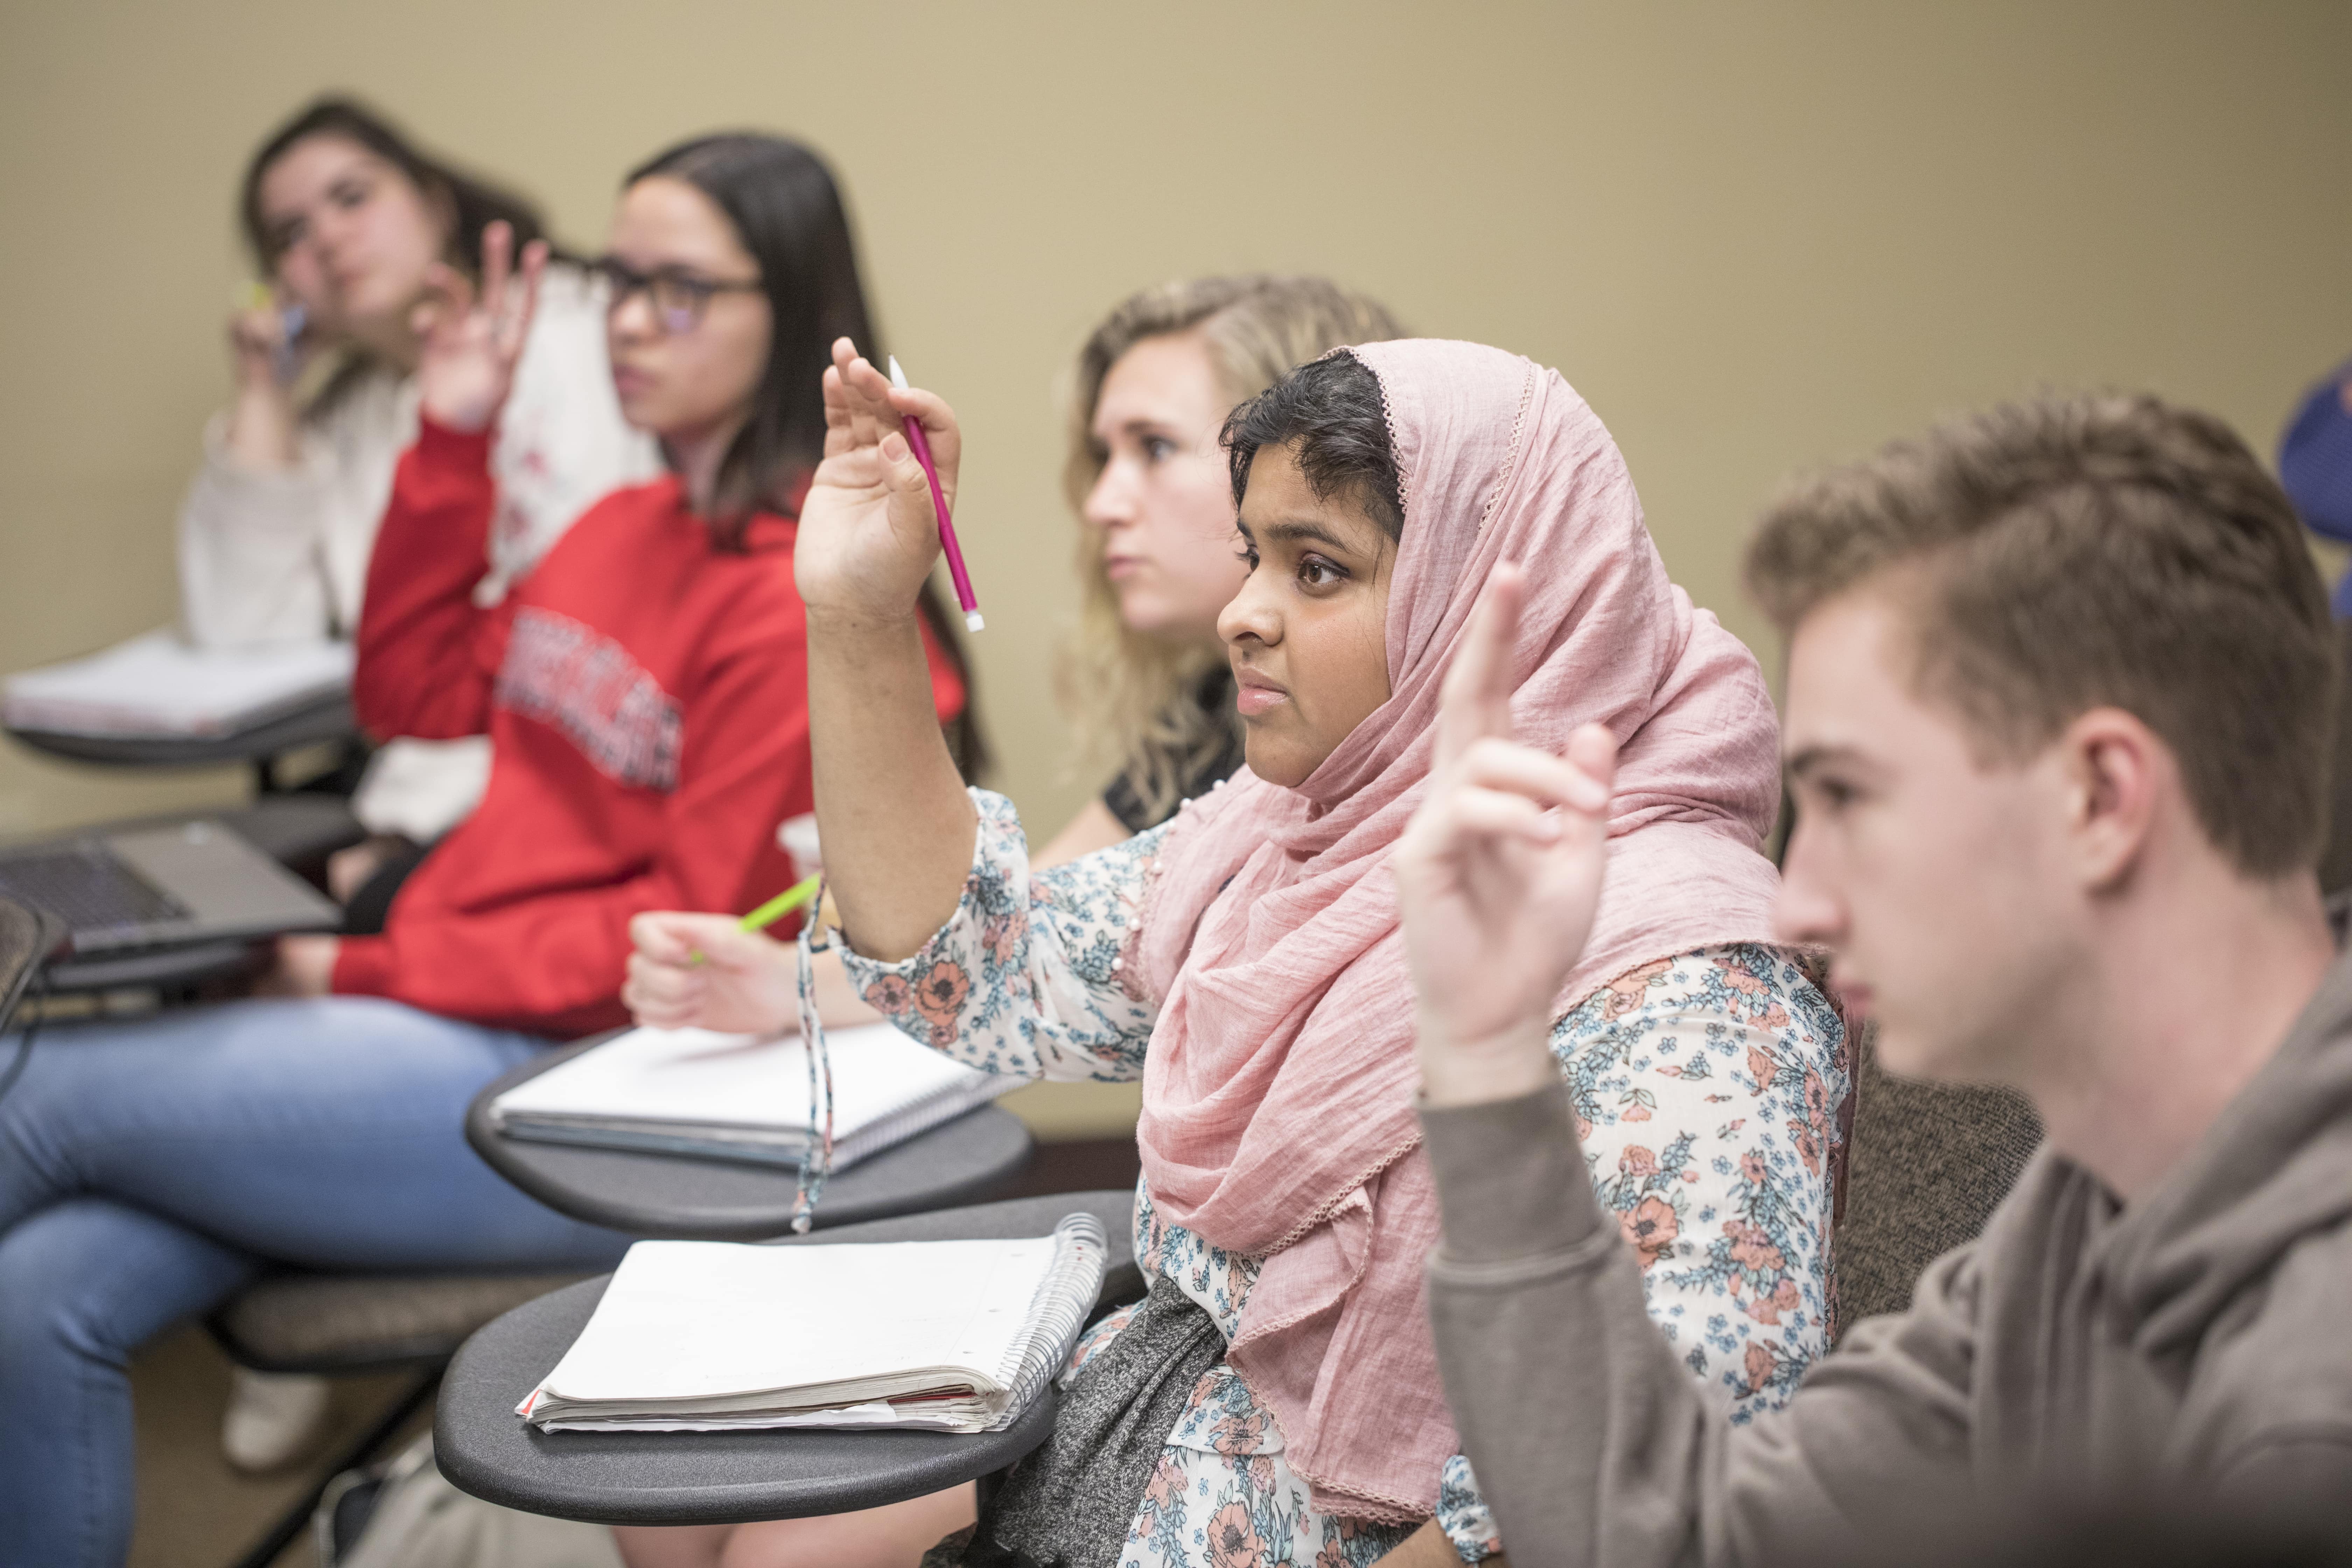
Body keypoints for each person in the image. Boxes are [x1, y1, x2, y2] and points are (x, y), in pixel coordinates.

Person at [616, 338, 1848, 1568]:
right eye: (1257, 556)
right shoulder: (1289, 838)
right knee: (660, 1496)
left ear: (1487, 603)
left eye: (1319, 570)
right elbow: (977, 971)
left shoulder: (1689, 983)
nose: (1241, 614)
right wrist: (861, 611)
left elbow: (1650, 1470)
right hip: (1137, 1435)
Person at [0, 132, 970, 1568]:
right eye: (623, 280)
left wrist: (360, 966)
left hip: (564, 1083)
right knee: (31, 1297)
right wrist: (452, 434)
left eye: (682, 291)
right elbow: (409, 692)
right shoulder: (618, 526)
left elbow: (666, 942)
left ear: (798, 316)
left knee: (30, 1100)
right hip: (440, 1019)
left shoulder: (805, 595)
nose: (630, 320)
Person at [1399, 393, 2352, 1565]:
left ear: (2103, 798)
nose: (1796, 906)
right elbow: (1676, 1540)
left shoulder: (2309, 1413)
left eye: (1848, 796)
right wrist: (1488, 1050)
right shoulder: (2092, 1205)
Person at [181, 97, 659, 915]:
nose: (327, 240)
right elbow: (247, 630)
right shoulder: (348, 421)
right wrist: (265, 395)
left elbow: (577, 637)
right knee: (195, 908)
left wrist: (386, 859)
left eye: (352, 197)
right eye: (290, 235)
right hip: (415, 783)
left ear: (436, 204)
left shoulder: (580, 336)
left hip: (557, 793)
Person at [1036, 276, 1404, 867]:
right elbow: (1010, 935)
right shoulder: (1213, 709)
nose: (1101, 504)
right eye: (1105, 457)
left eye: (1155, 447)